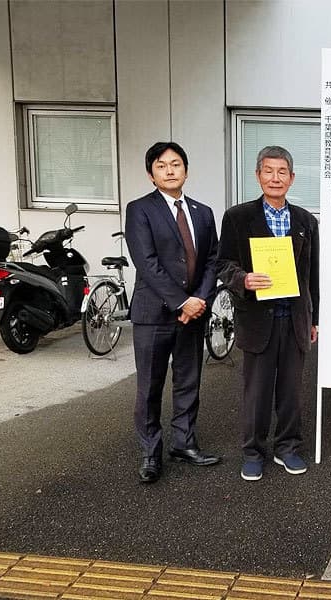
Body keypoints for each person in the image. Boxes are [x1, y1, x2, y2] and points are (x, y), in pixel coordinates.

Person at [216, 146, 319, 482]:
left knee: (291, 391)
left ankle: (287, 447)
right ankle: (253, 451)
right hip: (258, 317)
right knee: (257, 391)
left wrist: (314, 319)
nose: (276, 178)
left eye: (282, 172)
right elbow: (223, 263)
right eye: (269, 171)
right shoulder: (237, 217)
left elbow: (312, 275)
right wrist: (243, 279)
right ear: (258, 175)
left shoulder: (305, 221)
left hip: (294, 318)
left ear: (292, 177)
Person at [125, 141, 221, 484]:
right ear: (151, 174)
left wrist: (199, 300)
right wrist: (182, 302)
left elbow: (212, 260)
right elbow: (146, 263)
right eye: (162, 165)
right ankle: (151, 452)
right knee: (150, 386)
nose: (170, 170)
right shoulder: (140, 209)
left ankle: (184, 443)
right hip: (154, 314)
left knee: (188, 382)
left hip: (193, 314)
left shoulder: (203, 212)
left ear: (186, 170)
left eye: (176, 164)